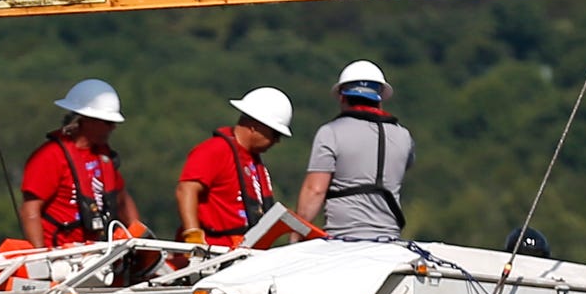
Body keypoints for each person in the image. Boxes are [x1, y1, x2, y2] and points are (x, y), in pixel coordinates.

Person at [298, 59, 415, 243]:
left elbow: (315, 191)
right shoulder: (404, 137)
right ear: (380, 99)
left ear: (342, 97)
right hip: (390, 240)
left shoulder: (330, 133)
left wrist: (296, 235)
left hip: (342, 240)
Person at [20, 79, 144, 248]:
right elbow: (30, 211)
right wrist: (42, 258)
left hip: (98, 251)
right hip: (61, 254)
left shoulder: (103, 156)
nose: (113, 127)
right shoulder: (50, 156)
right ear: (86, 120)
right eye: (108, 122)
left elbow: (122, 200)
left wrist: (141, 241)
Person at [177, 86, 292, 244]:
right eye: (275, 134)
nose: (277, 141)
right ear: (255, 126)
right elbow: (186, 190)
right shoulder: (215, 150)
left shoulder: (253, 160)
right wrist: (193, 237)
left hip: (244, 251)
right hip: (214, 254)